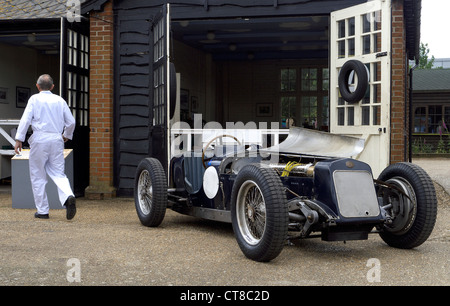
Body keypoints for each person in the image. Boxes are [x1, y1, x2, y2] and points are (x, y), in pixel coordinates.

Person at [14, 74, 76, 220]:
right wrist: (66, 134)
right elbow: (71, 122)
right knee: (59, 173)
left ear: (37, 86)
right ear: (53, 87)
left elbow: (26, 119)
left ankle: (42, 211)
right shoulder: (60, 100)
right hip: (56, 138)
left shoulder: (34, 99)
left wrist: (19, 139)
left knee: (37, 175)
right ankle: (68, 196)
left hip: (40, 139)